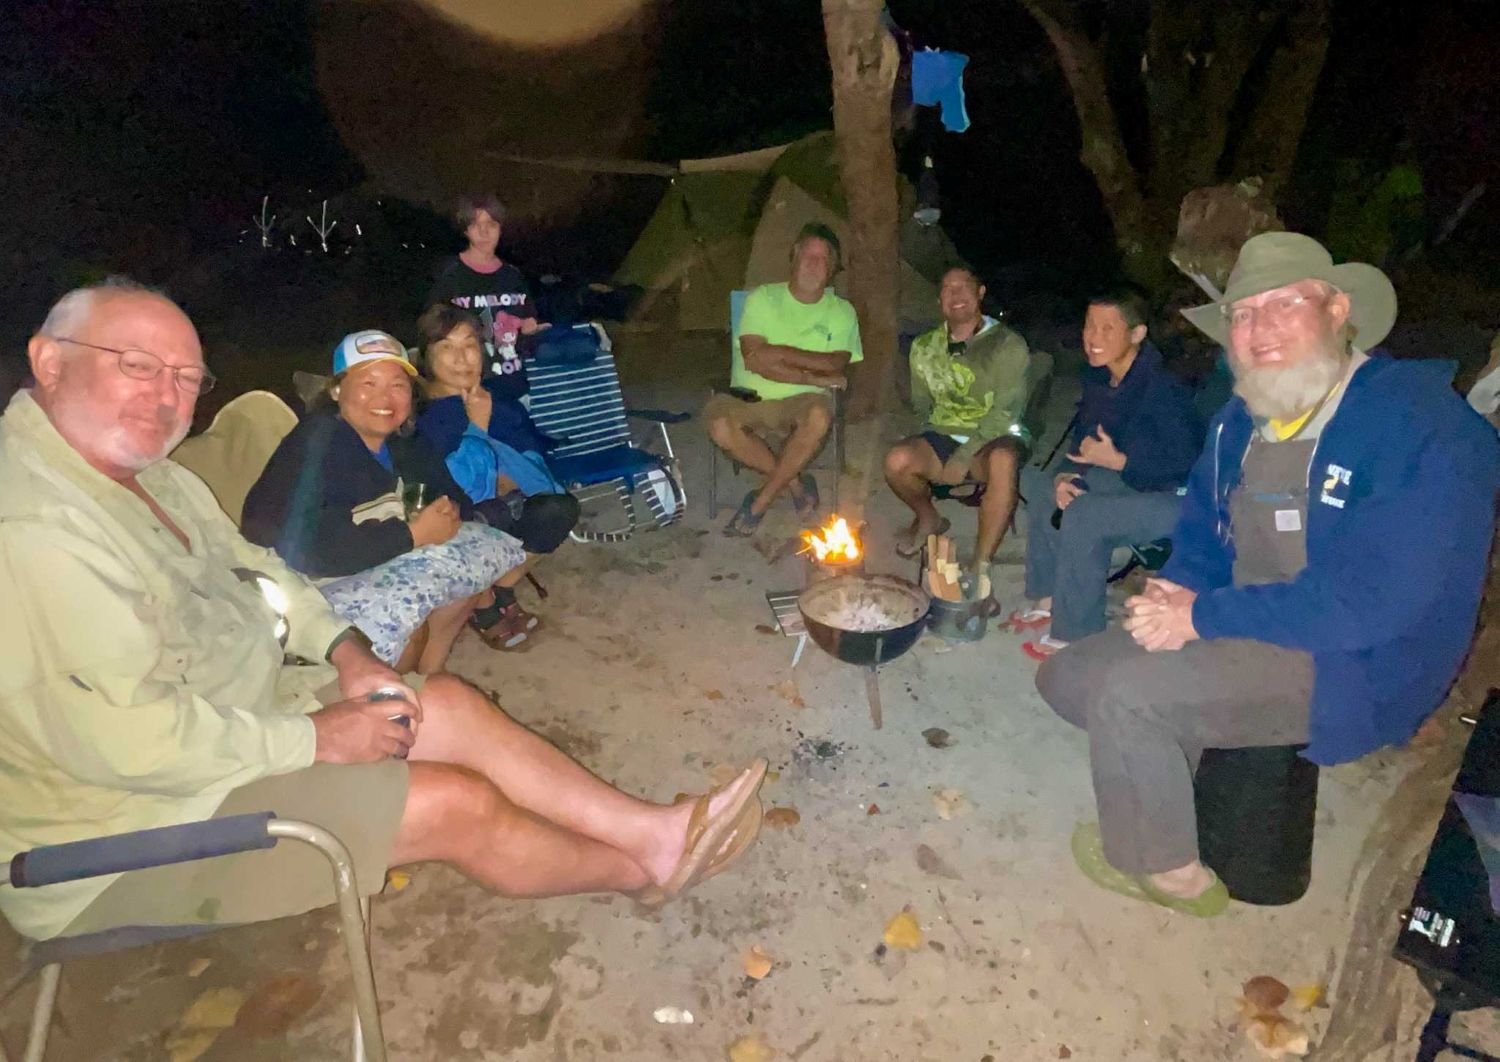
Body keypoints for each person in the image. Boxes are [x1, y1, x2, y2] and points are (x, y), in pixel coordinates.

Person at [0, 279, 766, 943]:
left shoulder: (154, 478)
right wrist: (313, 736)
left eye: (186, 377)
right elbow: (132, 748)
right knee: (455, 803)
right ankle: (640, 872)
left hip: (242, 708)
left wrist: (344, 651)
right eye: (136, 366)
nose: (166, 395)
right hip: (125, 832)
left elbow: (261, 568)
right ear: (49, 360)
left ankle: (656, 834)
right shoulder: (32, 530)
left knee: (447, 705)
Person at [1035, 233, 1498, 917]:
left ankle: (1171, 872)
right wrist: (1181, 587)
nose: (1260, 328)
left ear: (1339, 309)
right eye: (1244, 313)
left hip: (1347, 659)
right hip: (1239, 617)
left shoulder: (1420, 422)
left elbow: (1374, 605)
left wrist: (1201, 618)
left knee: (1127, 697)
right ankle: (1182, 750)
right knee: (1065, 675)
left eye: (1285, 304)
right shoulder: (1237, 422)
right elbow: (1199, 530)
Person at [240, 330, 527, 666]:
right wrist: (412, 535)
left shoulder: (404, 439)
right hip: (296, 589)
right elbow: (304, 550)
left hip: (370, 554)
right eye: (368, 384)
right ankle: (393, 702)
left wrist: (446, 514)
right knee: (407, 618)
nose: (385, 398)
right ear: (336, 390)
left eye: (397, 385)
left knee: (473, 557)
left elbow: (451, 494)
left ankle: (429, 679)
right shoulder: (316, 442)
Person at [1014, 288, 1205, 658]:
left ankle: (1077, 636)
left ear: (1136, 334)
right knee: (1040, 484)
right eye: (1090, 326)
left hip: (1176, 496)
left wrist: (1121, 463)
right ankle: (1050, 596)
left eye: (1107, 328)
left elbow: (1186, 464)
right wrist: (1064, 476)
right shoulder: (1101, 379)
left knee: (1086, 515)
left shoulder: (1165, 388)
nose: (1093, 338)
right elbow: (1085, 440)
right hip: (1128, 479)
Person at [413, 303, 582, 643]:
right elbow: (460, 487)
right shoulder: (422, 416)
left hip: (508, 504)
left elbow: (532, 458)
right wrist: (477, 425)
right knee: (491, 511)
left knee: (559, 508)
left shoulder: (500, 402)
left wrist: (516, 482)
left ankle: (500, 588)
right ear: (427, 357)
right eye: (447, 347)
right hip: (455, 519)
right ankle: (483, 603)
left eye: (469, 345)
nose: (462, 359)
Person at [704, 223, 862, 535]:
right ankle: (796, 485)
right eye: (808, 255)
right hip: (748, 394)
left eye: (823, 259)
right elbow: (755, 360)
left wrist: (777, 352)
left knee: (818, 416)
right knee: (720, 426)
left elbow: (836, 362)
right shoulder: (762, 299)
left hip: (804, 400)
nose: (814, 264)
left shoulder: (842, 311)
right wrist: (810, 374)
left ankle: (760, 502)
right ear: (793, 257)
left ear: (833, 269)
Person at [883, 267, 1037, 578]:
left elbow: (1006, 412)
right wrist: (935, 440)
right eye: (947, 288)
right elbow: (922, 404)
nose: (956, 295)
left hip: (996, 436)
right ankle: (929, 519)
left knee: (1004, 460)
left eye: (964, 287)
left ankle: (980, 564)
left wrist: (963, 456)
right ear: (939, 299)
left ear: (980, 292)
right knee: (896, 460)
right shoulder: (924, 347)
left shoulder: (1007, 344)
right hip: (945, 432)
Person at [426, 193, 544, 401]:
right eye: (475, 224)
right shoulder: (449, 274)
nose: (484, 231)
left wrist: (530, 328)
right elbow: (431, 330)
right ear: (465, 229)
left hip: (513, 387)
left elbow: (529, 323)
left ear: (500, 228)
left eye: (491, 223)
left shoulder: (513, 276)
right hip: (465, 391)